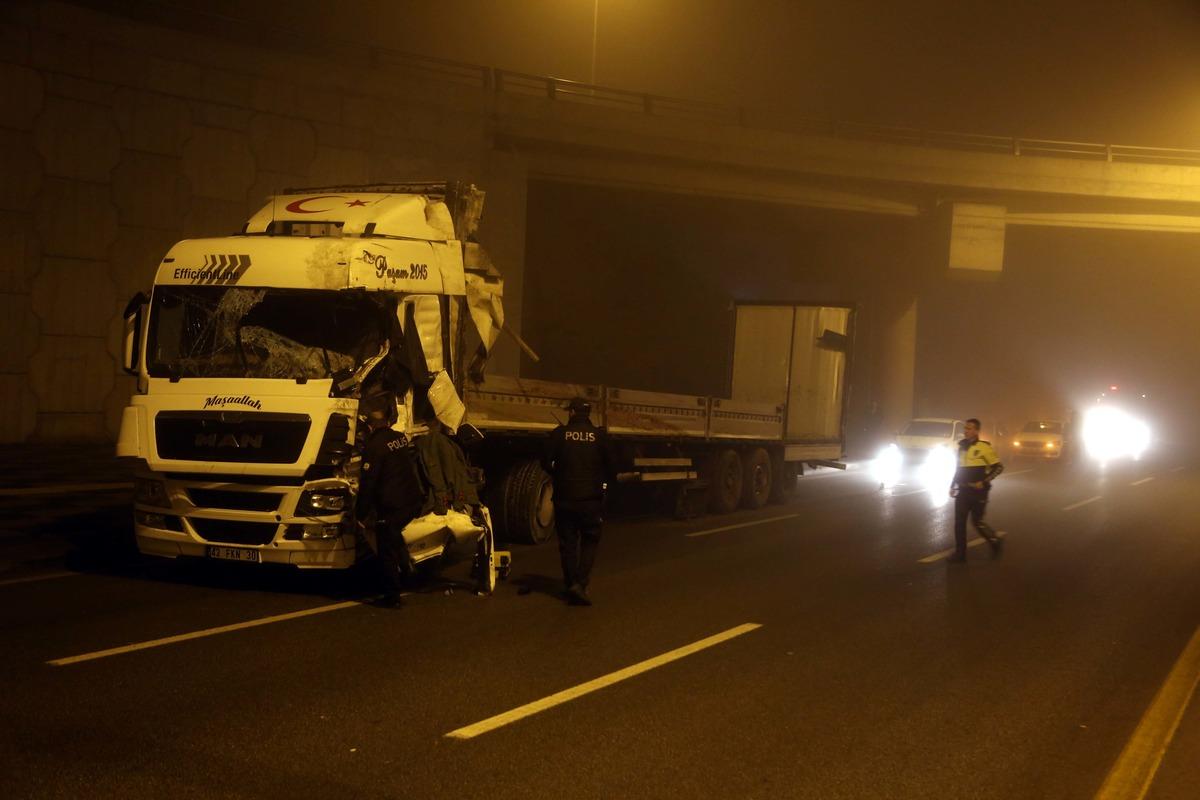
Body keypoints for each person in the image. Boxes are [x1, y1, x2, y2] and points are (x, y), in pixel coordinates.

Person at [356, 393, 426, 607]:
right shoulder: (399, 438)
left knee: (385, 544)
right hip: (412, 499)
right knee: (394, 534)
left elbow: (369, 483)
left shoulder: (374, 447)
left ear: (369, 426)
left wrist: (360, 514)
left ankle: (392, 596)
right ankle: (409, 570)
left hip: (393, 505)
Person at [544, 398, 614, 606]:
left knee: (568, 544)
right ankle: (580, 584)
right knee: (590, 540)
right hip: (591, 499)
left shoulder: (559, 434)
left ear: (572, 412)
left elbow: (545, 461)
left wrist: (558, 474)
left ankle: (570, 583)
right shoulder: (600, 436)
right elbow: (612, 464)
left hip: (564, 498)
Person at [948, 417, 1004, 562]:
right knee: (959, 523)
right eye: (965, 428)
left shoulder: (984, 447)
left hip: (979, 492)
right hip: (963, 491)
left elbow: (998, 467)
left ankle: (994, 540)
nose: (966, 431)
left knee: (977, 521)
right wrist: (953, 484)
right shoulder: (961, 448)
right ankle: (960, 554)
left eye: (969, 428)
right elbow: (958, 468)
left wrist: (984, 482)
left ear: (977, 431)